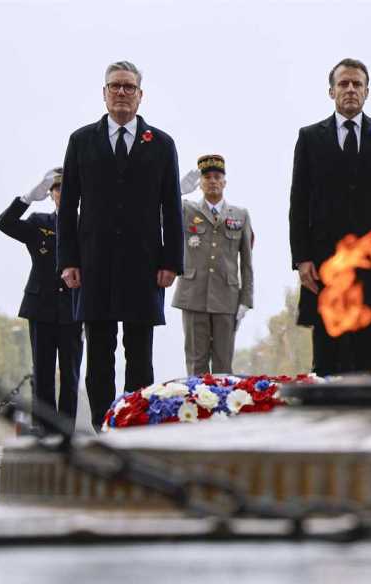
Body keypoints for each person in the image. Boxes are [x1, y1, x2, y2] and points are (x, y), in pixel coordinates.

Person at [57, 61, 183, 432]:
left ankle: (135, 424)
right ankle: (102, 426)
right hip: (93, 263)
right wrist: (68, 261)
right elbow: (68, 208)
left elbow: (171, 207)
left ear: (141, 95)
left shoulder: (161, 144)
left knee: (139, 352)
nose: (122, 93)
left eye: (129, 87)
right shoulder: (81, 140)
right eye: (115, 86)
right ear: (104, 93)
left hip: (144, 264)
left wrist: (171, 261)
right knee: (98, 352)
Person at [288, 58, 371, 376]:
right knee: (326, 361)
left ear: (367, 92)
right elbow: (298, 203)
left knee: (370, 362)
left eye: (357, 84)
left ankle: (370, 421)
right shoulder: (310, 138)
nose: (350, 89)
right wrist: (301, 259)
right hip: (324, 265)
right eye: (344, 83)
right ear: (331, 91)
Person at [0, 168, 82, 435]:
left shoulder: (87, 225)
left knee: (70, 375)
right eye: (57, 189)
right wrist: (27, 197)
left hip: (73, 307)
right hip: (41, 305)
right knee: (42, 373)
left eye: (67, 190)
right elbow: (4, 223)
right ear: (51, 194)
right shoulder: (39, 221)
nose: (62, 194)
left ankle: (66, 430)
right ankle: (44, 429)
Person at [173, 155, 253, 375]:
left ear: (225, 182)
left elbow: (246, 261)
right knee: (196, 364)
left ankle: (223, 410)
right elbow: (158, 214)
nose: (212, 181)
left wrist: (246, 299)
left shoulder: (240, 215)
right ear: (200, 183)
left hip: (226, 297)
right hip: (193, 295)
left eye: (217, 176)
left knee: (223, 365)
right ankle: (199, 409)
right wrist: (174, 192)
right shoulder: (186, 210)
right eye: (206, 177)